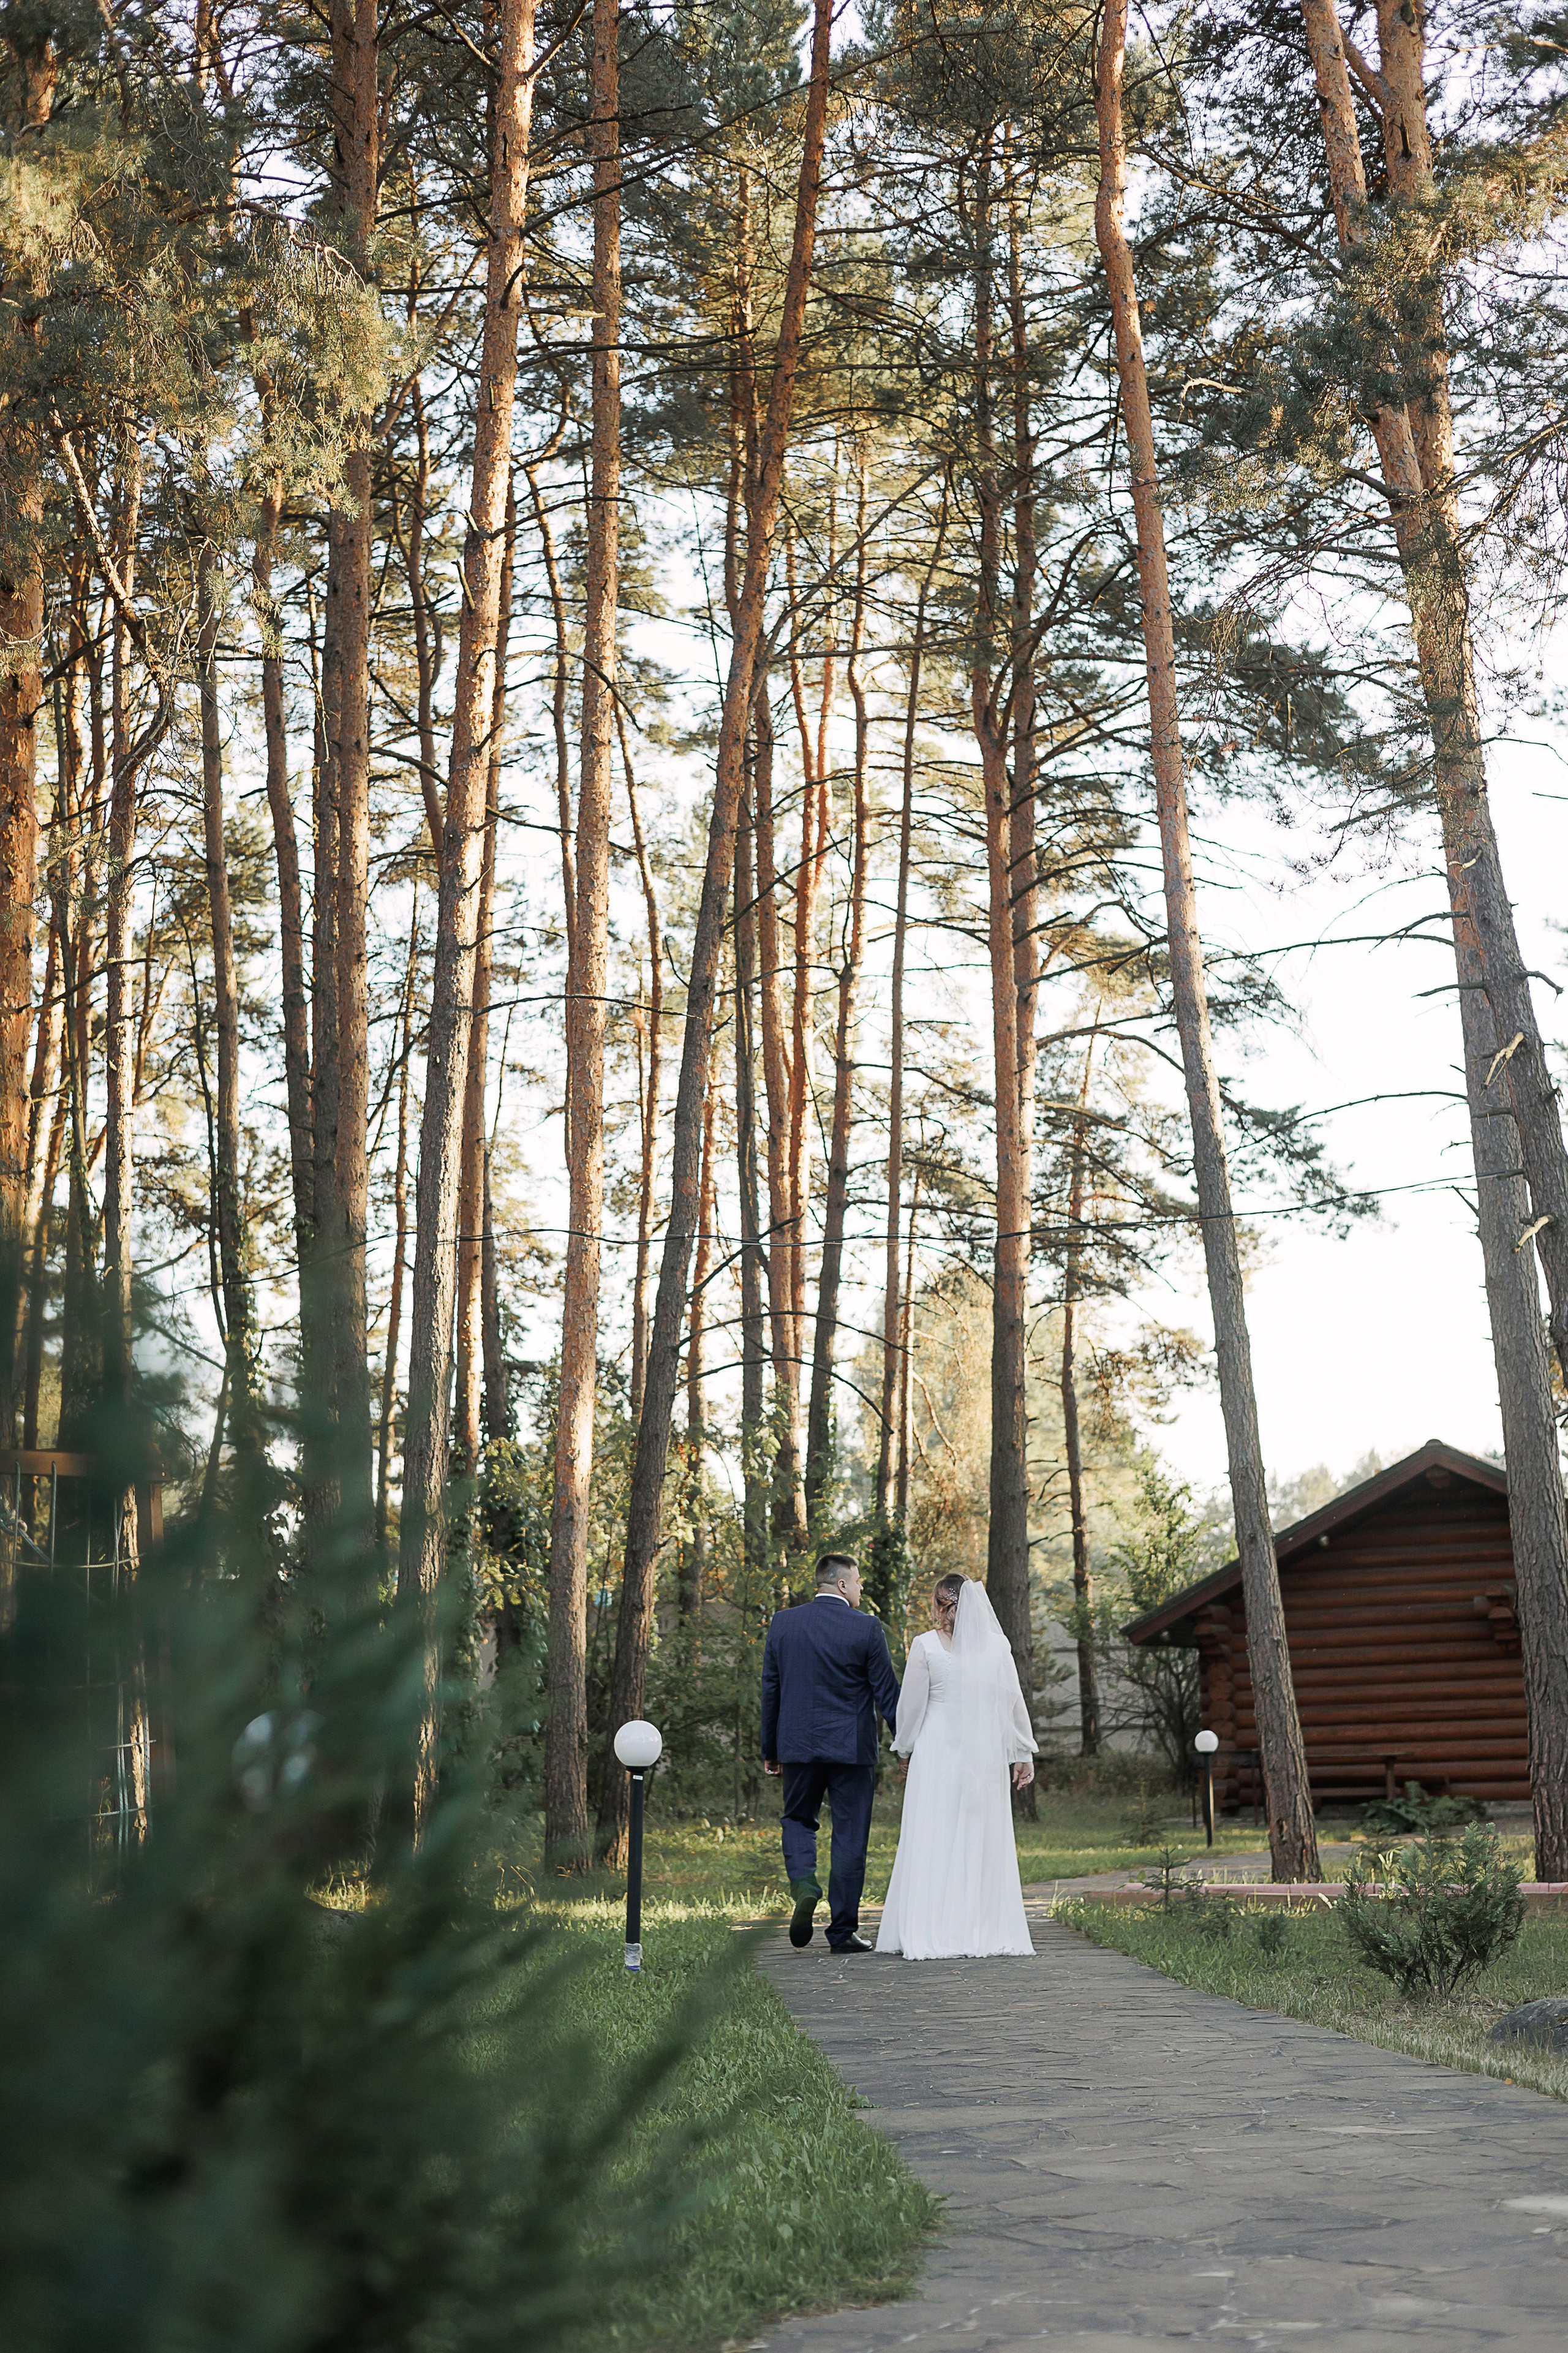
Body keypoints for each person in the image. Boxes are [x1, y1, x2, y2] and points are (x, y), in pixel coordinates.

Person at [876, 1571, 1038, 1960]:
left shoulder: (926, 1646)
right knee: (978, 1837)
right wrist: (1022, 1752)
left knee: (933, 1832)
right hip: (983, 1757)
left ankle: (932, 1926)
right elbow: (1013, 1703)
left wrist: (904, 1751)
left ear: (938, 1606)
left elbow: (911, 1706)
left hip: (937, 1753)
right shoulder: (997, 1647)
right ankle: (977, 1927)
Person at [761, 1551, 900, 1954]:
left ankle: (804, 1883)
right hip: (852, 1751)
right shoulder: (867, 1628)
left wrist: (771, 1748)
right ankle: (841, 1931)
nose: (861, 1588)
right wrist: (905, 1746)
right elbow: (887, 1696)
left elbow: (772, 1689)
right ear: (841, 1584)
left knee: (798, 1819)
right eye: (858, 1582)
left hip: (799, 1746)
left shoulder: (784, 1623)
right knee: (850, 1836)